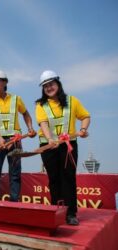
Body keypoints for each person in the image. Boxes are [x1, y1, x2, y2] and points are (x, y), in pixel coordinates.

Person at [35, 70, 90, 225]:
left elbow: (85, 116)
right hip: (48, 147)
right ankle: (57, 211)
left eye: (51, 84)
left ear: (58, 84)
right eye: (45, 86)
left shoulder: (72, 101)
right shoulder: (40, 105)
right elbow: (43, 124)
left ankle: (71, 213)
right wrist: (50, 139)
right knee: (54, 179)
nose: (48, 88)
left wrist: (83, 130)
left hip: (68, 146)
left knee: (68, 178)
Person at [0, 70, 36, 201]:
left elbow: (26, 114)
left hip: (15, 140)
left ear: (5, 82)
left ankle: (14, 201)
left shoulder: (16, 99)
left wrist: (30, 128)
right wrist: (0, 138)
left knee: (15, 173)